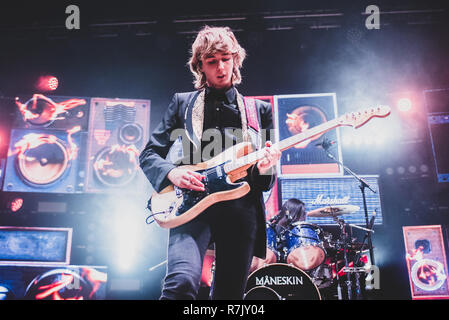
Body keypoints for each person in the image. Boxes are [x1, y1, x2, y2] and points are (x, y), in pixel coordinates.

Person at [139, 26, 281, 300]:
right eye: (212, 61)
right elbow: (149, 155)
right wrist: (173, 173)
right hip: (191, 205)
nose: (221, 67)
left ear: (235, 59)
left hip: (240, 212)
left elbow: (264, 182)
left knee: (229, 297)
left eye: (226, 59)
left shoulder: (258, 111)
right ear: (200, 65)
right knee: (180, 284)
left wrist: (266, 167)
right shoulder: (182, 103)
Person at [249, 198, 307, 272]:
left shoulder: (295, 231)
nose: (305, 216)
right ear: (295, 214)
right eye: (303, 213)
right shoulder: (273, 228)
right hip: (269, 267)